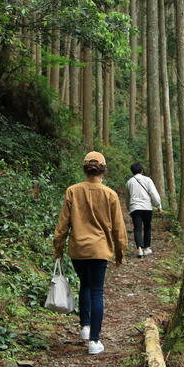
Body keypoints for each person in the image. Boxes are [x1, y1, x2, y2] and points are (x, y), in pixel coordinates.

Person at [53, 151, 127, 355]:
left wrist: (58, 248)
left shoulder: (73, 191)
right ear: (103, 169)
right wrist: (120, 253)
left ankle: (85, 327)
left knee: (85, 284)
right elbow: (118, 229)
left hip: (78, 249)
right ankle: (94, 341)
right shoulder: (110, 194)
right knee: (96, 290)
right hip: (99, 249)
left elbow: (62, 225)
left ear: (85, 169)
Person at [126, 162, 162, 258]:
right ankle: (147, 248)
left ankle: (140, 250)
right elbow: (153, 193)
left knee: (137, 228)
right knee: (147, 227)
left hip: (135, 208)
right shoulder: (147, 180)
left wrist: (129, 209)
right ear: (141, 170)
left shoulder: (129, 182)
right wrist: (158, 205)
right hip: (146, 207)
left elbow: (127, 198)